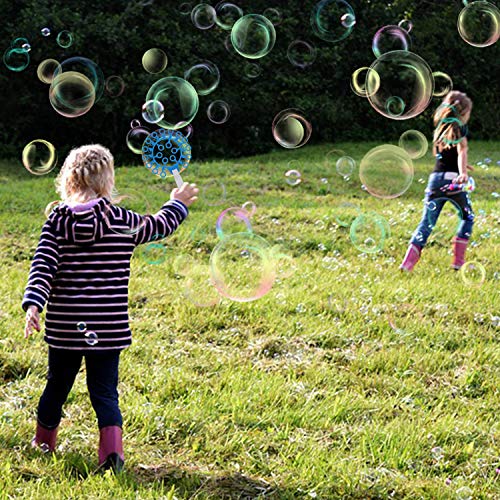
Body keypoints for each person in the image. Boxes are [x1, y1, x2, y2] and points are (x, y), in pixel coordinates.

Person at [22, 144, 198, 472]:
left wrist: (34, 303)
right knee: (105, 392)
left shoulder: (57, 223)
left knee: (56, 386)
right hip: (108, 328)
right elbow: (158, 226)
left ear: (67, 181)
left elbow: (42, 266)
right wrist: (178, 203)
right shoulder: (121, 220)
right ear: (107, 182)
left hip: (64, 328)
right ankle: (111, 454)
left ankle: (44, 442)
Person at [400, 91, 475, 272]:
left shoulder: (440, 130)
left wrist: (462, 166)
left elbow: (444, 156)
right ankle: (458, 261)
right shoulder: (459, 129)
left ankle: (407, 264)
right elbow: (461, 151)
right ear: (463, 113)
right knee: (467, 217)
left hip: (435, 180)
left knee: (426, 223)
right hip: (453, 183)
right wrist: (462, 172)